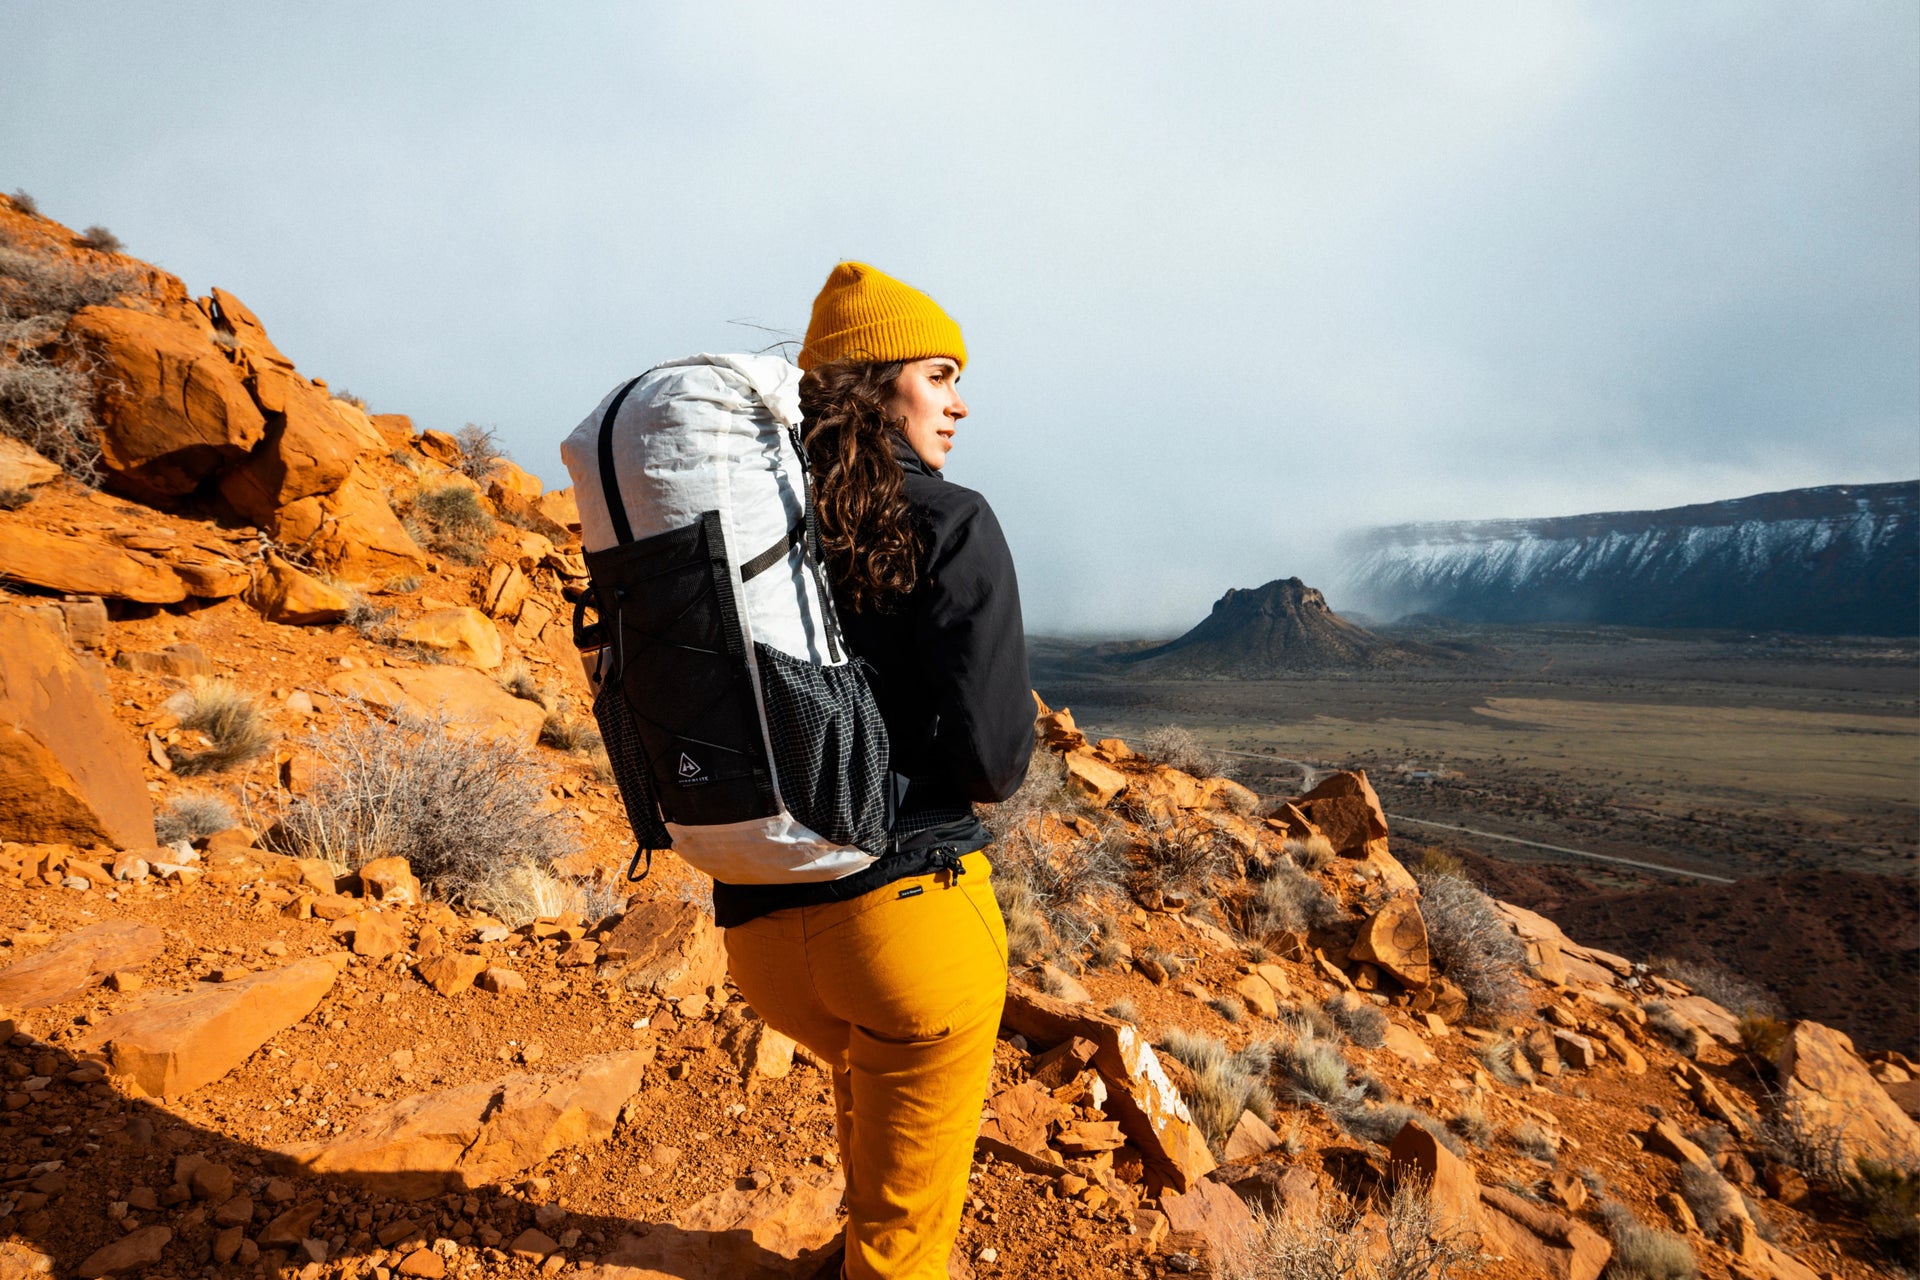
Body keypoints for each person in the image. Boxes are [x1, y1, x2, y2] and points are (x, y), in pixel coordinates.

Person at [716, 262, 1034, 1280]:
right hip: (908, 925)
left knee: (872, 1110)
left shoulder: (756, 522)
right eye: (941, 374)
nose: (960, 400)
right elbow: (992, 763)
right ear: (881, 383)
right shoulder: (952, 521)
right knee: (909, 1252)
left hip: (763, 933)